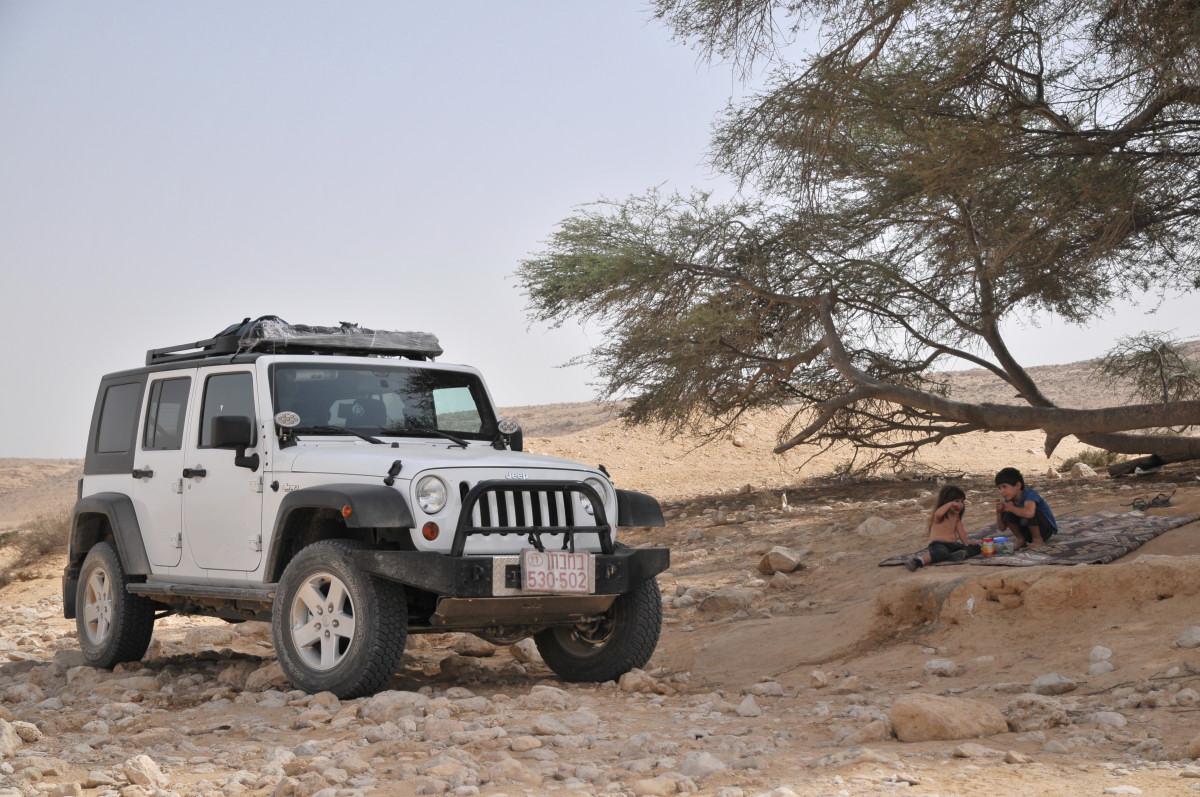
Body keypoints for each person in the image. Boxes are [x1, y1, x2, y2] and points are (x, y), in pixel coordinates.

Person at [905, 485, 970, 571]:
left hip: (952, 545)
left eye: (962, 501)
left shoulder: (956, 516)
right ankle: (919, 561)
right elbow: (938, 513)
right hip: (939, 545)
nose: (960, 505)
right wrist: (951, 504)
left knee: (974, 548)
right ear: (946, 502)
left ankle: (953, 556)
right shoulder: (940, 516)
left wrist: (966, 544)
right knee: (942, 553)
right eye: (956, 501)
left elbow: (961, 530)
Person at [994, 467, 1057, 549]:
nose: (1001, 491)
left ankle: (1038, 539)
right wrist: (999, 512)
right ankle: (1021, 539)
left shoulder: (1030, 494)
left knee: (1028, 512)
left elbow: (1029, 513)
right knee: (1008, 513)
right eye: (999, 488)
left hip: (1044, 531)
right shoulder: (1008, 501)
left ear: (1018, 485)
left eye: (1004, 486)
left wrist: (1011, 508)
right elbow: (1002, 528)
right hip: (1027, 533)